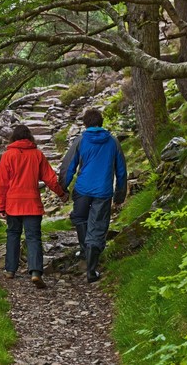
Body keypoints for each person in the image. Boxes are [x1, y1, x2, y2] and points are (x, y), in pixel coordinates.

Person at [59, 108, 127, 283]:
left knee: (80, 218)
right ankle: (91, 269)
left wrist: (62, 188)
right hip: (103, 191)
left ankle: (84, 250)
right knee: (97, 227)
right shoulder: (113, 142)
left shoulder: (80, 141)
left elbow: (68, 166)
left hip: (82, 189)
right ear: (101, 122)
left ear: (85, 123)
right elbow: (121, 171)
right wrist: (120, 195)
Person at [0, 125, 68, 289]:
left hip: (13, 204)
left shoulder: (8, 155)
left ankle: (10, 270)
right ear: (30, 137)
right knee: (33, 237)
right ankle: (35, 272)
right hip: (32, 203)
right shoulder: (37, 155)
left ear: (13, 137)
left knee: (13, 234)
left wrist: (1, 207)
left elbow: (2, 184)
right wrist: (61, 194)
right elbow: (50, 179)